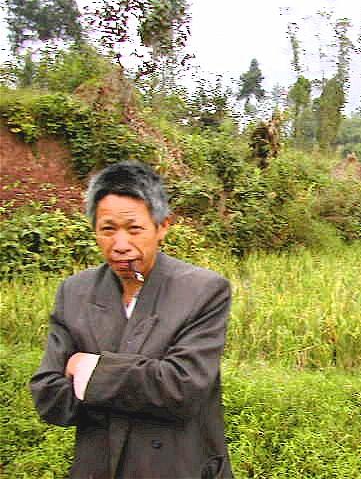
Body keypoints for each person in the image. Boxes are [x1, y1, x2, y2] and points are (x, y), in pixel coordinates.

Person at [30, 161, 234, 479]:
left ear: (162, 226)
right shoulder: (75, 292)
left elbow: (181, 389)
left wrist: (86, 369)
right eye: (108, 229)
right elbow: (49, 396)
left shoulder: (203, 290)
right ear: (94, 229)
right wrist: (141, 385)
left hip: (177, 468)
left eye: (134, 229)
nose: (121, 244)